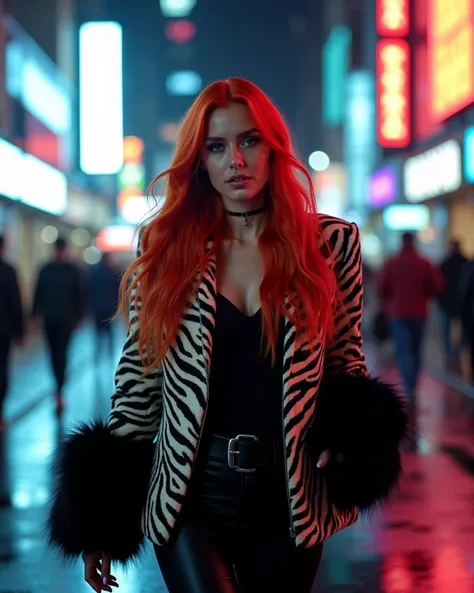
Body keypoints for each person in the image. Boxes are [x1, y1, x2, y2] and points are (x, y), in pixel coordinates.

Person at [47, 78, 407, 593]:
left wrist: (350, 440)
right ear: (199, 161)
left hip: (290, 493)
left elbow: (345, 357)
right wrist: (99, 521)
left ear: (273, 149)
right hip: (191, 495)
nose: (235, 159)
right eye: (216, 146)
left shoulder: (330, 245)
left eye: (249, 141)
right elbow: (138, 386)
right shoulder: (165, 249)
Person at [376, 232, 444, 405]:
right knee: (416, 349)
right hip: (419, 312)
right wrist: (424, 293)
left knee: (403, 350)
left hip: (398, 313)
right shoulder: (424, 262)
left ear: (402, 242)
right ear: (414, 242)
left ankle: (409, 386)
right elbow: (438, 286)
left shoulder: (393, 263)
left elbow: (381, 287)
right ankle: (413, 385)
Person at [32, 237, 86, 414]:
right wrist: (34, 316)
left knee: (62, 354)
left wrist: (79, 317)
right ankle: (58, 386)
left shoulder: (71, 270)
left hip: (66, 321)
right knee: (53, 355)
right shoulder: (45, 269)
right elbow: (38, 294)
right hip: (50, 321)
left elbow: (79, 294)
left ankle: (59, 389)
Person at [0, 235, 24, 430]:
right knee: (2, 370)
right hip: (3, 330)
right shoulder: (9, 271)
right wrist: (20, 332)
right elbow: (15, 303)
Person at [437, 240, 468, 368]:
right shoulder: (466, 263)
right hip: (463, 304)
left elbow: (439, 285)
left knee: (447, 331)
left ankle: (450, 355)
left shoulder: (445, 263)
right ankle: (458, 351)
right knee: (464, 331)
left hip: (448, 303)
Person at [86, 252, 121, 357]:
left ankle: (98, 354)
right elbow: (117, 291)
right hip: (109, 309)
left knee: (98, 334)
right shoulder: (113, 273)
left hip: (97, 308)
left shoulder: (94, 272)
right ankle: (110, 355)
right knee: (109, 334)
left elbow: (89, 290)